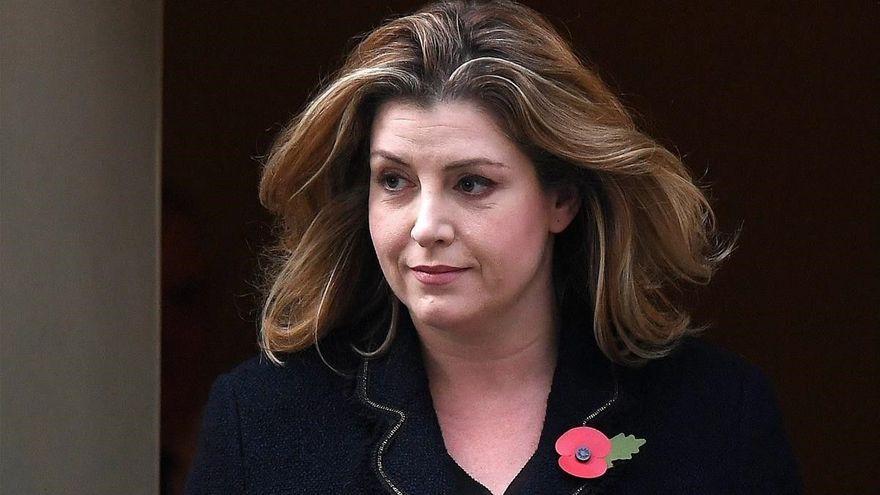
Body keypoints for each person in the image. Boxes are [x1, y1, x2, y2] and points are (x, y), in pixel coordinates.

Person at [186, 1, 802, 493]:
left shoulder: (717, 416)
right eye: (394, 181)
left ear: (561, 199)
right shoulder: (263, 422)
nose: (426, 225)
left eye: (471, 183)